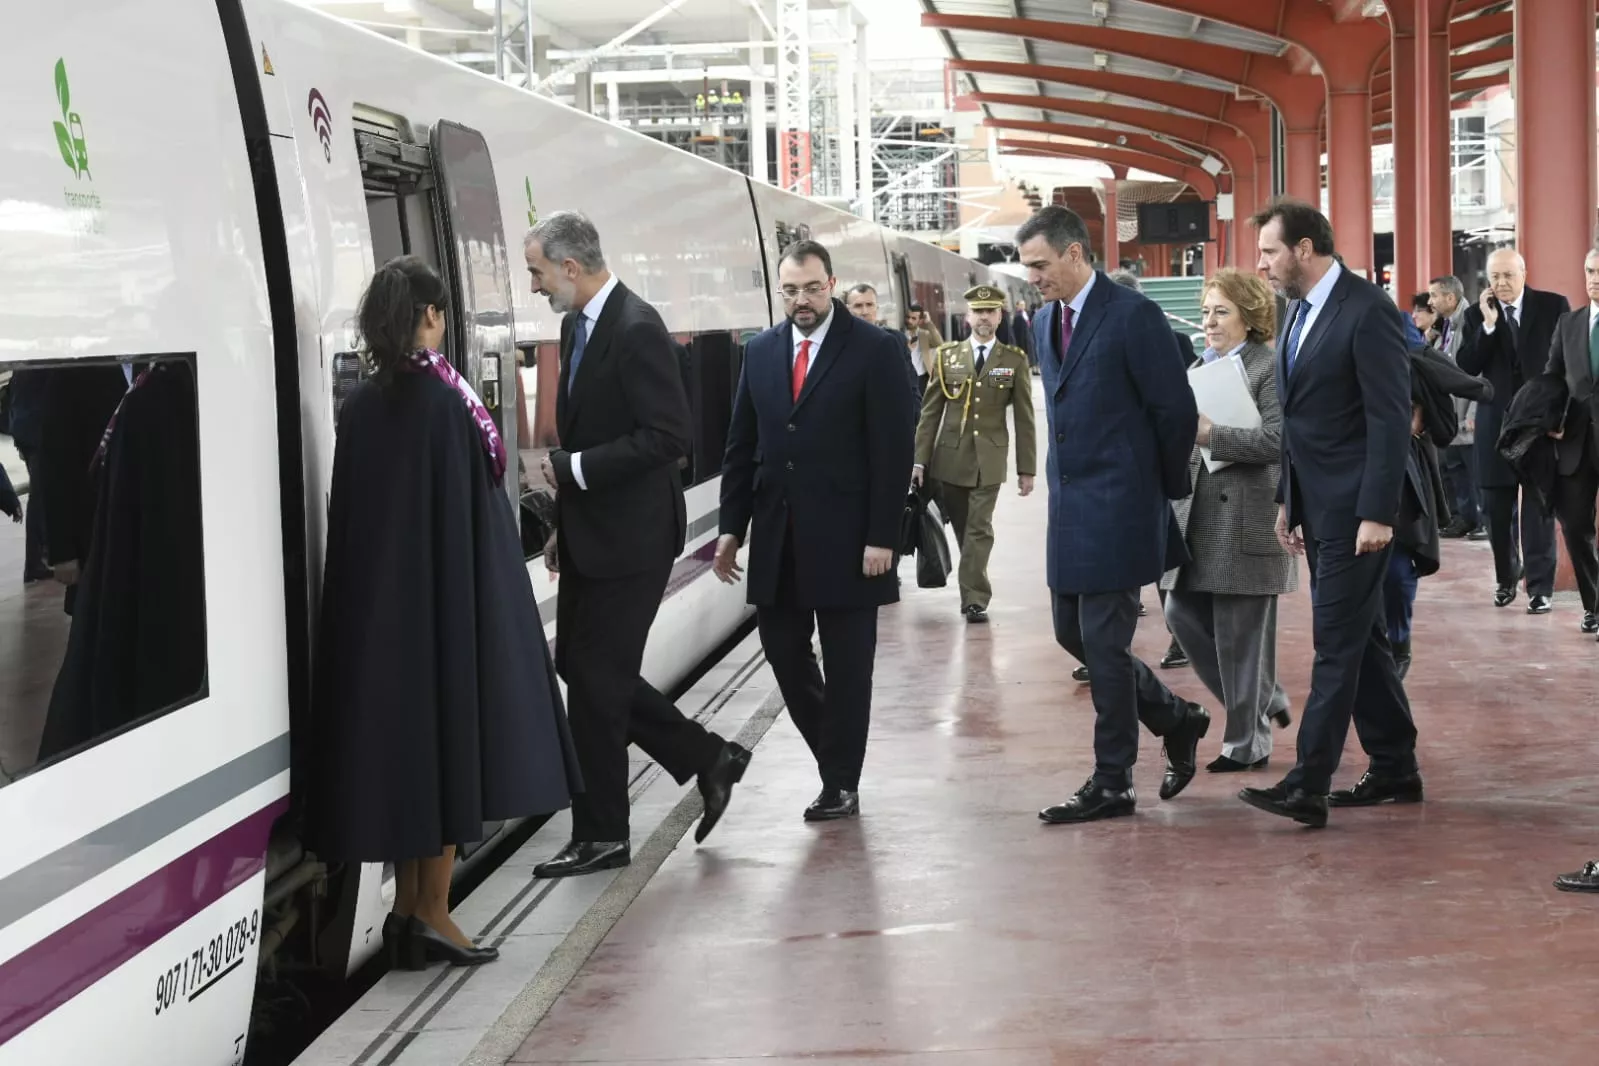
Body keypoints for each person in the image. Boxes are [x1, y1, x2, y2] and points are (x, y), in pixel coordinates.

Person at [307, 256, 579, 969]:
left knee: (407, 761)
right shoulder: (445, 400)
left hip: (380, 619)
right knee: (453, 750)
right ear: (430, 316)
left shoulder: (364, 402)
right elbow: (473, 515)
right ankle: (431, 912)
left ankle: (406, 914)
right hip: (448, 609)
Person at [525, 212, 750, 879]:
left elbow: (667, 437)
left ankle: (602, 834)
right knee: (584, 669)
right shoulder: (577, 326)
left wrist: (574, 469)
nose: (534, 286)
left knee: (597, 683)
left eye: (537, 271)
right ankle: (710, 758)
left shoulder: (636, 327)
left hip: (635, 539)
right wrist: (565, 524)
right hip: (593, 535)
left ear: (570, 267)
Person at [1017, 205, 1210, 825]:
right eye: (1027, 268)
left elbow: (1174, 410)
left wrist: (1151, 490)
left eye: (1041, 266)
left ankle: (1113, 781)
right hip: (1070, 509)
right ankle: (1178, 718)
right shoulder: (1044, 321)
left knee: (1103, 645)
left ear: (1076, 253)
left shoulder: (1133, 315)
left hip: (1122, 505)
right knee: (1071, 635)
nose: (1034, 279)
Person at [715, 239, 915, 821]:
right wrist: (732, 527)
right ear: (779, 291)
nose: (801, 300)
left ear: (830, 284)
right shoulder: (760, 351)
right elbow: (740, 447)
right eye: (790, 290)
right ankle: (835, 758)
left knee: (851, 668)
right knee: (782, 652)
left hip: (854, 540)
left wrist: (884, 535)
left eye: (811, 288)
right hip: (779, 537)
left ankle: (840, 783)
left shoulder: (875, 349)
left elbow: (892, 449)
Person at [1237, 198, 1421, 829]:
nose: (1261, 264)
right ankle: (1395, 764)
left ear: (1305, 250)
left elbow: (1389, 418)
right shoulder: (1296, 313)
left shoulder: (1367, 310)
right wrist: (1290, 499)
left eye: (1269, 251)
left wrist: (1378, 512)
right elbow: (1302, 425)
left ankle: (1308, 782)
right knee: (1361, 642)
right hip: (1318, 508)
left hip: (1358, 513)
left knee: (1335, 644)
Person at [1160, 268, 1296, 773]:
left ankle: (1247, 742)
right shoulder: (1199, 366)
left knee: (1240, 636)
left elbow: (1278, 444)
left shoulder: (1269, 367)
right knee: (1179, 614)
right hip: (1196, 516)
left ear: (1250, 315)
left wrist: (1212, 435)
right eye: (1205, 311)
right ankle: (1268, 695)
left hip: (1247, 515)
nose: (1209, 321)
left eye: (1221, 311)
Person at [912, 284, 1036, 623]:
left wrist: (1027, 469)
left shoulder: (1013, 360)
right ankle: (973, 585)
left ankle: (974, 599)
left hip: (990, 460)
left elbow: (1025, 419)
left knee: (979, 528)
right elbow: (930, 412)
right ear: (967, 317)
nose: (984, 317)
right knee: (965, 530)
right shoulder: (947, 356)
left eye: (991, 311)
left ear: (1000, 316)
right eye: (978, 312)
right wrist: (919, 460)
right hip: (948, 460)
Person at [1457, 248, 1571, 613]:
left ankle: (1540, 588)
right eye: (1494, 277)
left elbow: (1570, 364)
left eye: (1508, 275)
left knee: (1539, 508)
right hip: (1494, 425)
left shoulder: (1554, 306)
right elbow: (1466, 364)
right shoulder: (1477, 315)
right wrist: (1489, 326)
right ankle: (1507, 577)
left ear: (1524, 272)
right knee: (1495, 509)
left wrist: (1563, 415)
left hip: (1540, 426)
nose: (1501, 283)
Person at [1540, 247, 1599, 636]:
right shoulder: (1569, 323)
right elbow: (1552, 378)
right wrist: (1548, 420)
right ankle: (1593, 605)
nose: (1595, 278)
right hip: (1576, 443)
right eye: (1591, 270)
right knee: (1575, 526)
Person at [1428, 275, 1486, 540]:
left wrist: (1475, 411)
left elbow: (1482, 369)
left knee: (1475, 471)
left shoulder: (1471, 321)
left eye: (1435, 296)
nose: (1431, 302)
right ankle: (1465, 519)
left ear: (1450, 298)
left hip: (1468, 413)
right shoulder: (1445, 325)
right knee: (1455, 471)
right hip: (1450, 415)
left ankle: (1483, 520)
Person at [844, 282, 921, 402]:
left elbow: (911, 386)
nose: (865, 311)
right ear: (848, 309)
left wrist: (913, 416)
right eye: (858, 306)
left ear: (877, 308)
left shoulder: (895, 340)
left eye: (869, 305)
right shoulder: (837, 343)